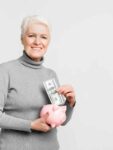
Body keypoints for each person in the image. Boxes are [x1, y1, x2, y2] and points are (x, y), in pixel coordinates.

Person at [0, 15, 76, 150]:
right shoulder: (5, 71)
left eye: (43, 37)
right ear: (22, 38)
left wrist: (69, 104)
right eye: (31, 35)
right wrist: (30, 125)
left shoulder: (50, 75)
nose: (37, 41)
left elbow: (61, 121)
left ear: (49, 41)